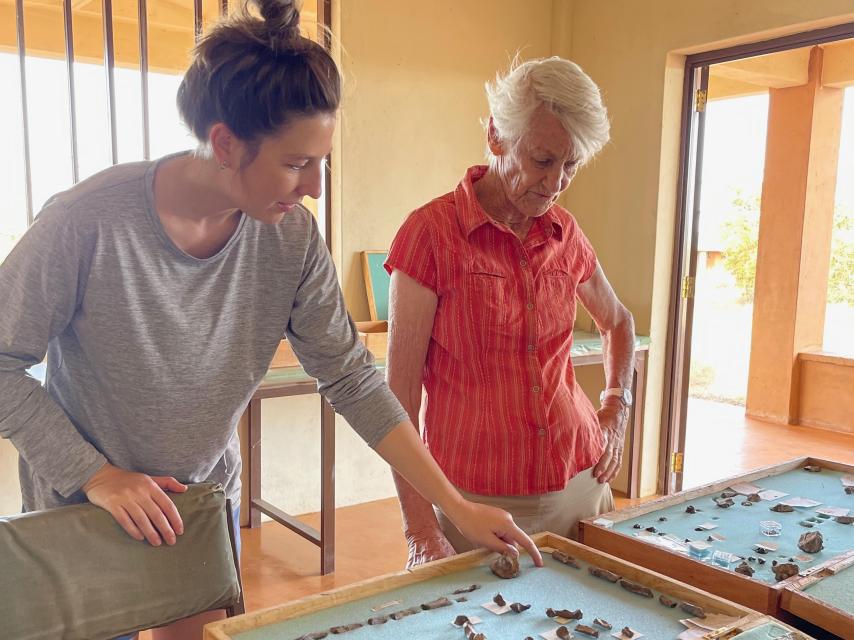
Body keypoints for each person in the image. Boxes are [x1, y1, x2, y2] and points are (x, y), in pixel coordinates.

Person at [0, 2, 541, 638]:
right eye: (295, 163)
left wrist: (453, 505)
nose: (314, 185)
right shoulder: (86, 221)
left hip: (197, 506)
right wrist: (99, 475)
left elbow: (352, 378)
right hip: (84, 507)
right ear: (225, 143)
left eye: (322, 161)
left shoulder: (290, 239)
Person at [385, 56, 636, 568]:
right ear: (497, 136)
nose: (557, 182)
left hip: (582, 484)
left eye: (572, 165)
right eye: (543, 160)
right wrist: (420, 528)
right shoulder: (430, 235)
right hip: (474, 504)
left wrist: (616, 410)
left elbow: (619, 322)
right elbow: (400, 398)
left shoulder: (566, 233)